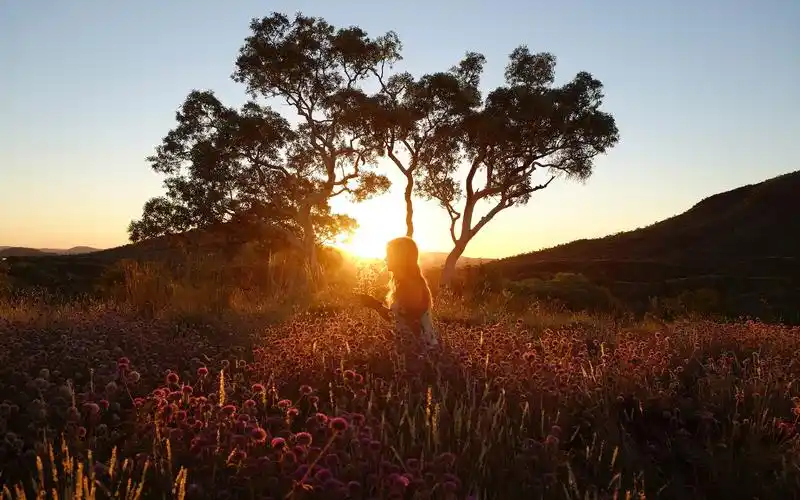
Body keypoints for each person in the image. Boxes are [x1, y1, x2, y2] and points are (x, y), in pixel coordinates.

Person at [356, 236, 440, 350]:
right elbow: (401, 318)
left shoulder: (411, 286)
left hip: (421, 352)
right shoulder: (404, 284)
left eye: (389, 255)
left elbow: (413, 326)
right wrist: (375, 305)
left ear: (400, 258)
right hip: (413, 348)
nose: (385, 259)